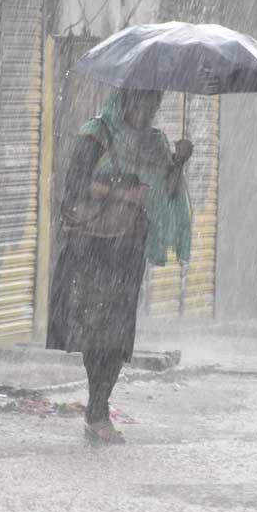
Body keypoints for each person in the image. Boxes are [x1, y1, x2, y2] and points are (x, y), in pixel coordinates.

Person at [47, 89, 193, 444]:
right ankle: (97, 408)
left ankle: (99, 406)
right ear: (124, 100)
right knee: (92, 329)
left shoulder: (155, 143)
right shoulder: (97, 134)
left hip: (128, 248)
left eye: (154, 103)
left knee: (117, 333)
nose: (147, 109)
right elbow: (74, 186)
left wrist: (178, 162)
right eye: (141, 101)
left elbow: (166, 194)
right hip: (91, 246)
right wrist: (123, 193)